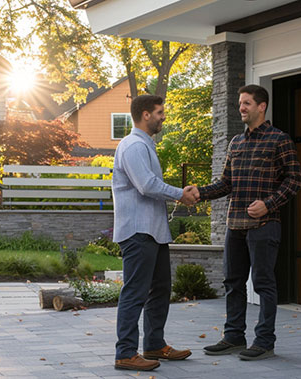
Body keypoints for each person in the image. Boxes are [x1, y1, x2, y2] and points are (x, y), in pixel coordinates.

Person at [197, 84, 301, 361]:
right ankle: (233, 337)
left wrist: (268, 204)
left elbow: (294, 180)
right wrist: (199, 194)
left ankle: (265, 341)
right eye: (240, 103)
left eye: (246, 103)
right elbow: (225, 183)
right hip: (235, 225)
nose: (241, 108)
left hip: (264, 226)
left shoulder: (279, 140)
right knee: (233, 282)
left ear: (261, 106)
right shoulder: (236, 143)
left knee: (264, 284)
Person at [112, 94, 198, 371]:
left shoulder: (145, 145)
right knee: (135, 292)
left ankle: (154, 345)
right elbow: (147, 185)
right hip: (138, 232)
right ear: (146, 114)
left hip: (154, 232)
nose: (163, 116)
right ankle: (125, 353)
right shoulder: (134, 146)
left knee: (160, 289)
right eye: (160, 112)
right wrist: (180, 195)